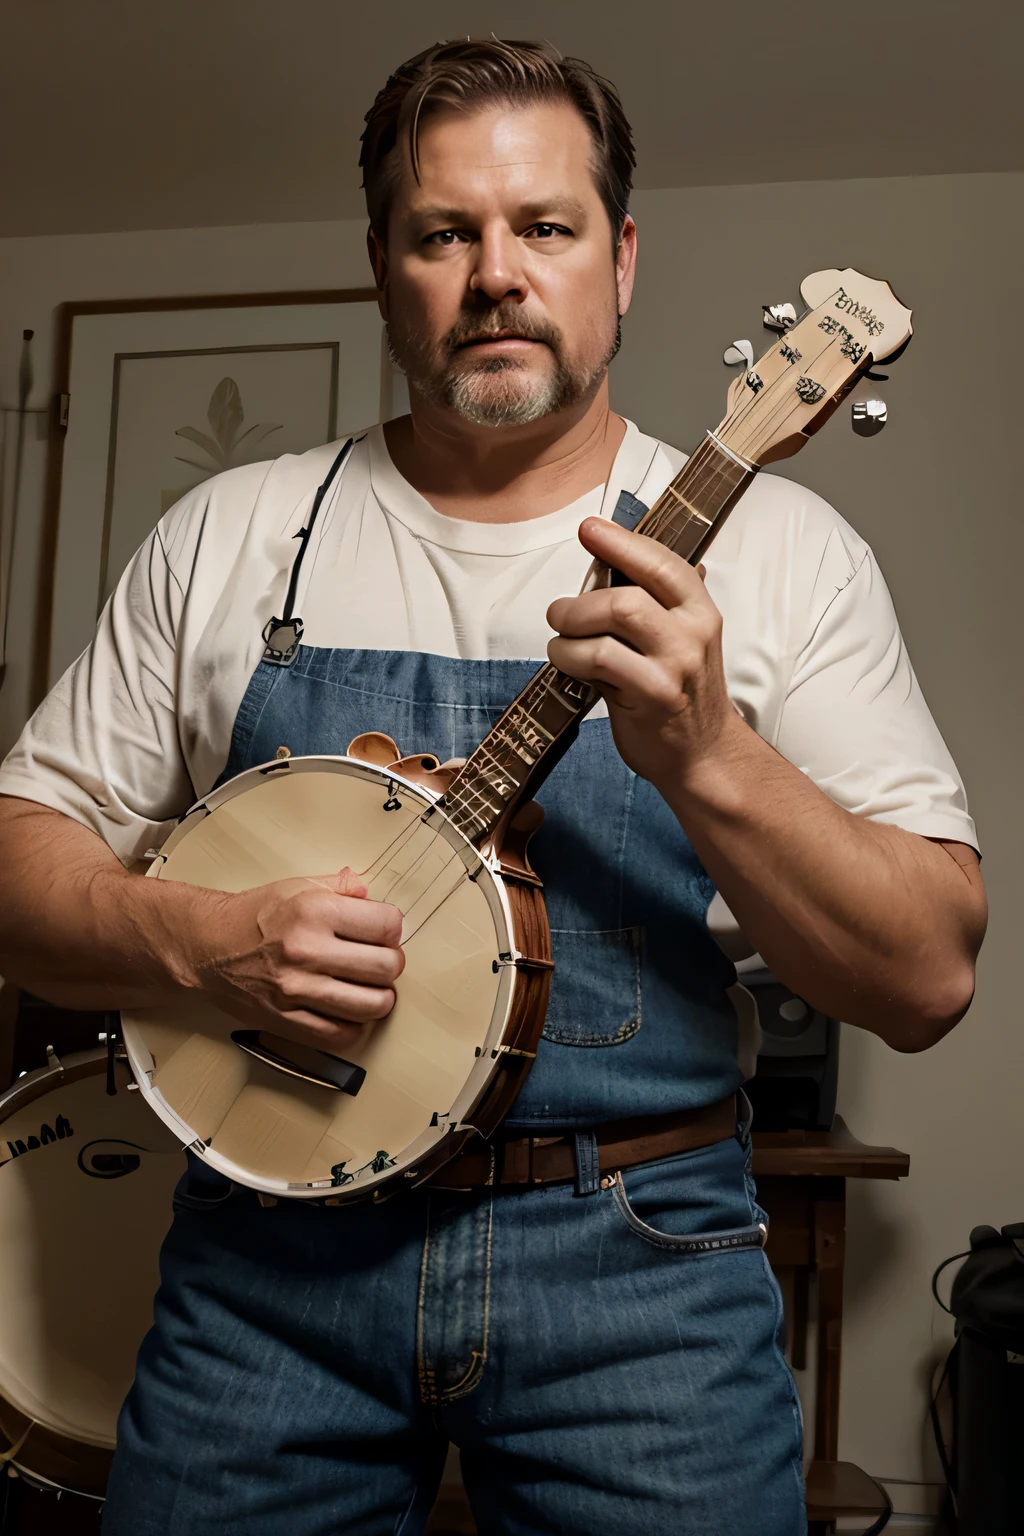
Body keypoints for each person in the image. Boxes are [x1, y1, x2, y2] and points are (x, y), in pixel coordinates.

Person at [0, 37, 986, 1536]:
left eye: (545, 227)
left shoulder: (784, 555)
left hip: (640, 1258)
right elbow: (21, 864)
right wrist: (206, 945)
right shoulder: (233, 533)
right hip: (271, 1260)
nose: (495, 272)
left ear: (624, 258)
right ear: (384, 264)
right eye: (443, 231)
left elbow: (924, 977)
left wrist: (711, 757)